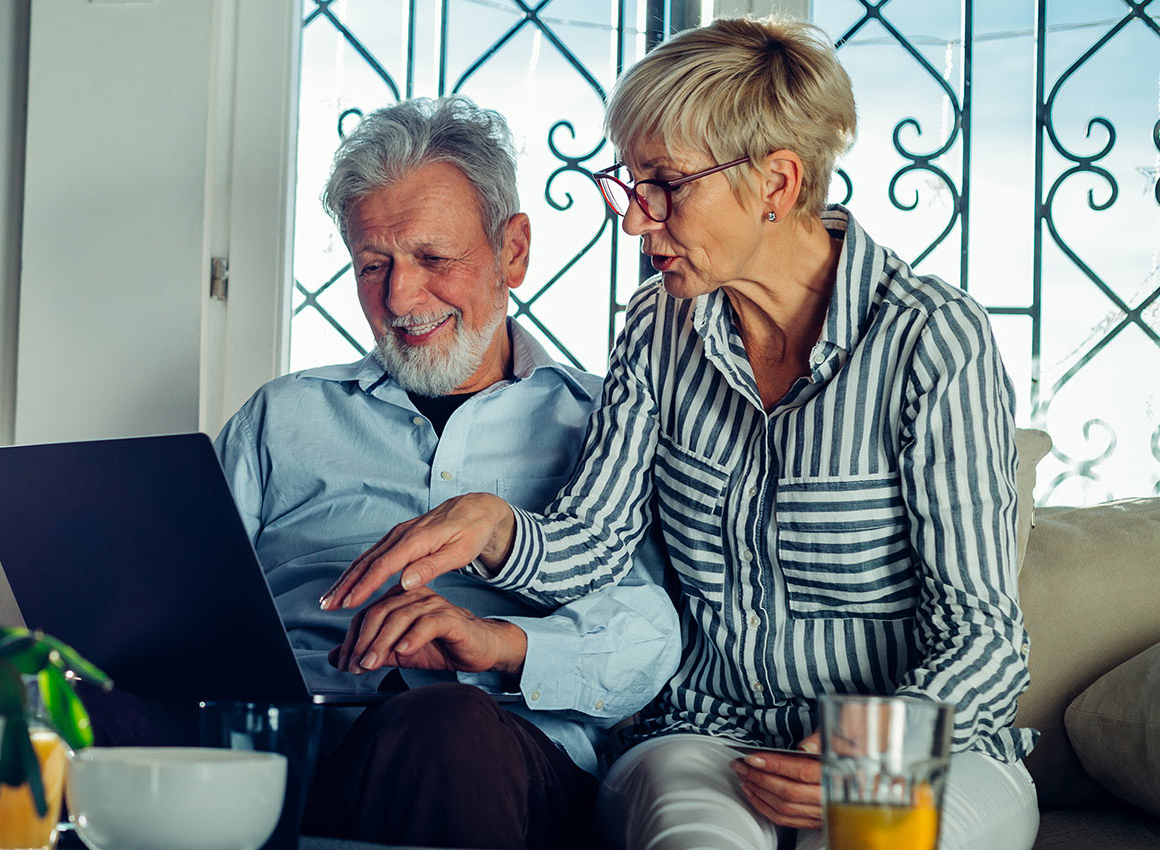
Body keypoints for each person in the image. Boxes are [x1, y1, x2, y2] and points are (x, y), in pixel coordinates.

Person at [321, 18, 1040, 850]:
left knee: (872, 842)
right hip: (707, 734)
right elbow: (591, 541)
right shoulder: (657, 325)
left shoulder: (930, 338)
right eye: (628, 184)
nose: (635, 221)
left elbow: (980, 632)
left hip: (908, 742)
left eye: (664, 184)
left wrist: (865, 761)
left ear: (775, 182)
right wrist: (494, 526)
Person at [211, 95, 681, 850]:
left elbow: (652, 636)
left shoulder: (603, 420)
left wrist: (494, 641)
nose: (399, 297)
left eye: (433, 258)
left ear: (512, 251)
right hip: (283, 738)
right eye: (373, 265)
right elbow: (189, 601)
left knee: (443, 724)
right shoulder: (280, 417)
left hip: (493, 749)